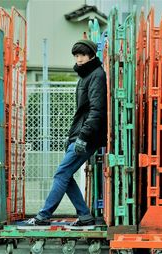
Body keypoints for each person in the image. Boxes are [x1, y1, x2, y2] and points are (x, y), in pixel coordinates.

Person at [24, 39, 107, 227]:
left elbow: (96, 111)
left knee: (61, 174)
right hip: (80, 135)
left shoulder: (96, 75)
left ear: (92, 55)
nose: (79, 59)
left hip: (87, 137)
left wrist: (83, 137)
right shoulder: (86, 76)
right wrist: (72, 137)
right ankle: (84, 215)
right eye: (76, 55)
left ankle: (43, 216)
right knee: (65, 175)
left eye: (82, 55)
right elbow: (83, 113)